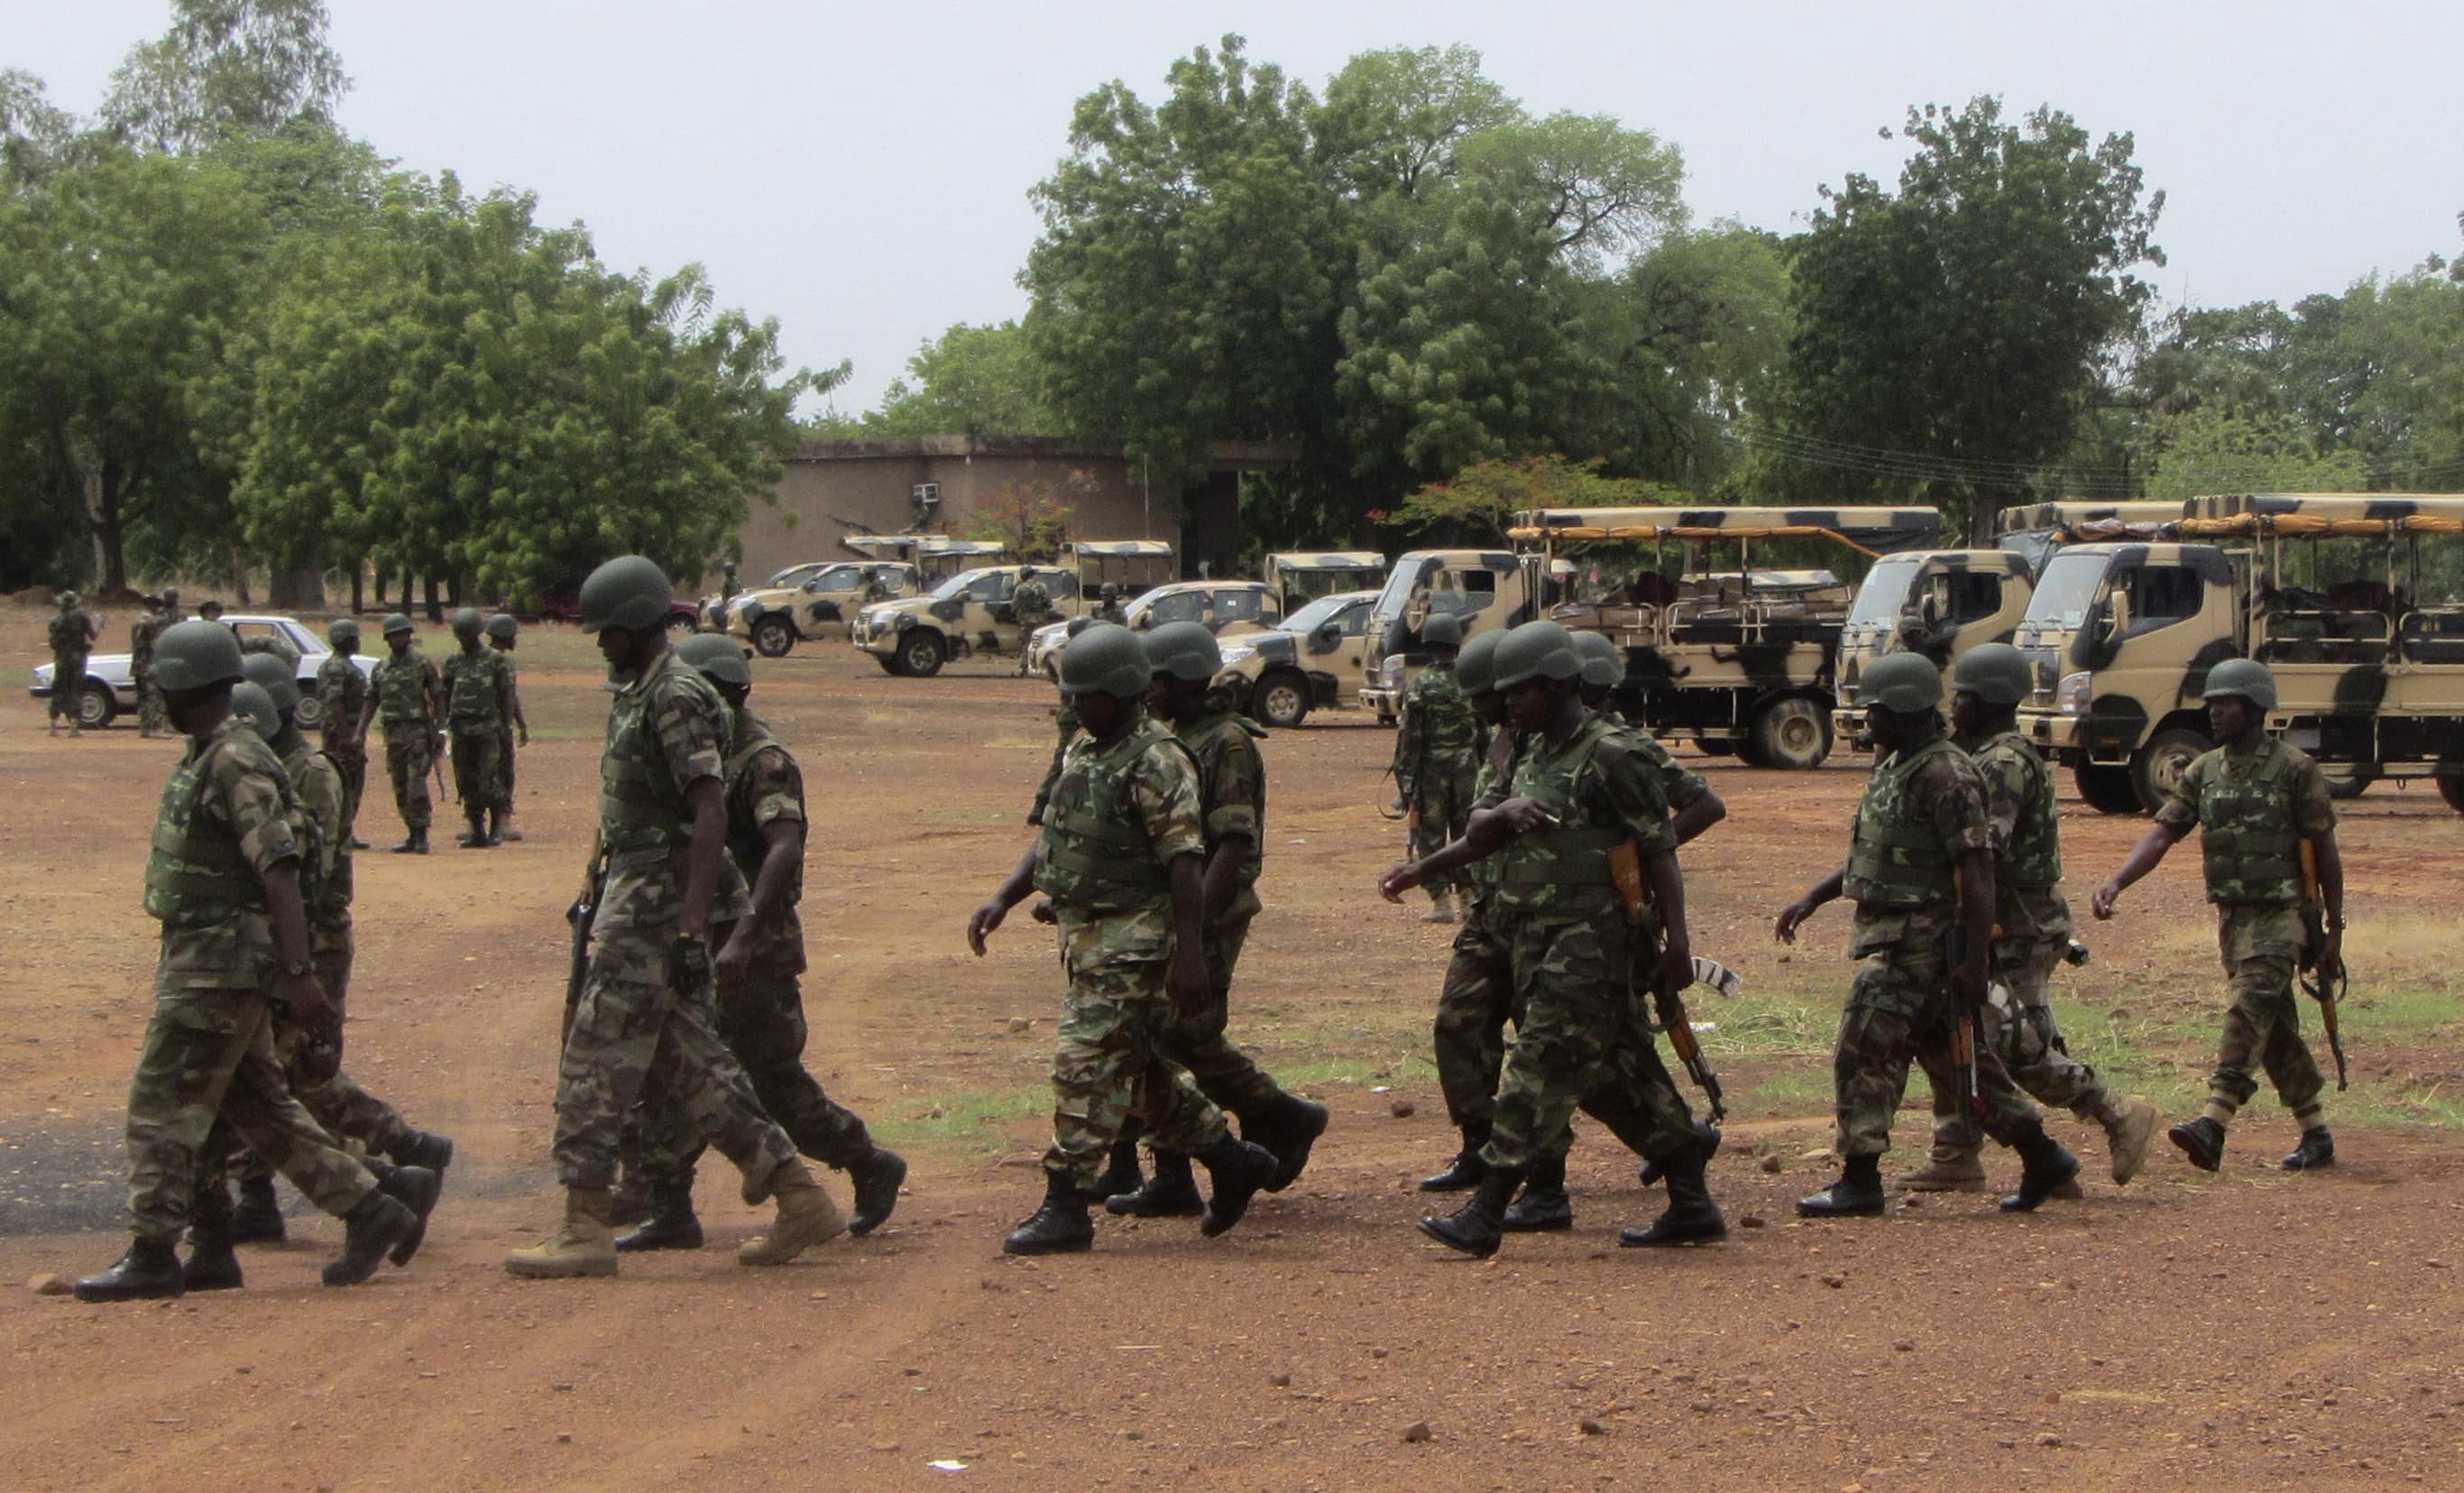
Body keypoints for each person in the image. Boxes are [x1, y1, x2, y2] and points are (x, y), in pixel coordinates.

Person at [506, 556, 846, 1279]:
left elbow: (710, 808)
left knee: (594, 1061)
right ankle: (797, 1194)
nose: (600, 644)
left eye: (607, 632)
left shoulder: (674, 695)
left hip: (656, 907)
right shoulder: (647, 690)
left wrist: (692, 927)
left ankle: (584, 1223)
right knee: (695, 1065)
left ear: (634, 625)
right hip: (646, 894)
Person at [73, 624, 422, 1302]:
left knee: (159, 1101)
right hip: (213, 961)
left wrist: (299, 974)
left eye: (161, 679)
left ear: (181, 683)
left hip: (218, 968)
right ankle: (372, 1206)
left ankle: (152, 1251)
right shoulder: (214, 753)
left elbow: (280, 867)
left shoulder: (235, 759)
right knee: (260, 1106)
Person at [1383, 621, 1725, 1258]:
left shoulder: (1613, 753)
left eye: (1521, 692)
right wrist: (1432, 864)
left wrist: (1678, 940)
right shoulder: (1535, 752)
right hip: (1537, 936)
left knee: (1537, 1062)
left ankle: (1487, 1208)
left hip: (1594, 940)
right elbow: (1490, 826)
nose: (1508, 704)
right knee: (1613, 1077)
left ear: (1560, 684)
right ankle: (1692, 1196)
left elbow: (1661, 848)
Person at [967, 622, 1279, 1256]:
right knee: (1137, 1075)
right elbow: (1057, 837)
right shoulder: (1086, 754)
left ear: (1126, 691)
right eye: (1071, 697)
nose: (1077, 707)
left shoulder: (1157, 760)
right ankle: (1232, 1159)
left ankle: (1065, 1204)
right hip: (1089, 937)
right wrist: (1005, 895)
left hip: (1136, 940)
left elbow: (1186, 861)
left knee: (1081, 1063)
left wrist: (1188, 953)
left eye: (1088, 696)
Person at [618, 634, 908, 1252]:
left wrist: (745, 935)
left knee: (770, 1082)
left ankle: (865, 1160)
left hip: (756, 950)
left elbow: (784, 846)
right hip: (705, 941)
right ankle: (669, 1205)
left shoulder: (761, 759)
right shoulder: (699, 755)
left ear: (730, 693)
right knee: (678, 1066)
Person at [1774, 652, 2082, 1218]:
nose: (1868, 722)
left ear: (1909, 712)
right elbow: (1879, 854)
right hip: (1896, 934)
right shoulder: (1897, 766)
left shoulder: (1947, 773)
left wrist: (1970, 959)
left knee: (1862, 1046)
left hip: (1921, 941)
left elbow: (1978, 866)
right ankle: (2044, 1156)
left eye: (1877, 711)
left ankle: (1860, 1177)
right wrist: (1813, 897)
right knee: (1955, 1060)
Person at [209, 659, 454, 1253]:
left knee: (291, 1076)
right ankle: (279, 1194)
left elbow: (304, 874)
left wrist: (293, 961)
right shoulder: (267, 768)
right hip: (282, 942)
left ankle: (391, 1168)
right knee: (274, 1076)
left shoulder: (309, 772)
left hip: (310, 940)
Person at [1903, 644, 2157, 1193]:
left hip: (2018, 925)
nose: (1955, 704)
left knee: (2011, 1042)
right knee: (1961, 1030)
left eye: (1964, 695)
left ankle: (2115, 1111)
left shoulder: (2003, 764)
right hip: (1997, 922)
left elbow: (1983, 853)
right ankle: (1956, 1147)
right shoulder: (1979, 753)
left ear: (1990, 698)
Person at [1099, 622, 1329, 1218]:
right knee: (1169, 1036)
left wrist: (1192, 935)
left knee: (1181, 1033)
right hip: (1183, 910)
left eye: (1156, 679)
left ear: (1182, 678)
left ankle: (1279, 1114)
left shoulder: (1225, 741)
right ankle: (1180, 1170)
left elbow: (1230, 843)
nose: (1147, 690)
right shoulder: (1183, 735)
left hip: (1213, 909)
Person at [2092, 658, 2344, 1173]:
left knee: (2247, 1009)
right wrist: (2117, 881)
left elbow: (2326, 851)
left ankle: (2214, 1122)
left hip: (2284, 917)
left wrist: (2334, 930)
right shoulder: (2204, 771)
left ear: (2253, 709)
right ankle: (2316, 1132)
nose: (2213, 713)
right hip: (2233, 919)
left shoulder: (2295, 770)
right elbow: (2164, 832)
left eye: (2224, 704)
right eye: (2211, 703)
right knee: (2272, 1030)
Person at [1390, 613, 1481, 923]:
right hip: (1469, 769)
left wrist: (1404, 780)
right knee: (1467, 833)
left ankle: (1441, 902)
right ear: (1456, 644)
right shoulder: (1470, 681)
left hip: (1432, 771)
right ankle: (1468, 901)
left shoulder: (1420, 685)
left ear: (1428, 645)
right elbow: (1483, 730)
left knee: (1431, 835)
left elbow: (1410, 738)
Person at [367, 613, 445, 854]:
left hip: (417, 731)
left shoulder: (422, 663)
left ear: (410, 636)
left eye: (403, 634)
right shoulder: (381, 667)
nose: (398, 639)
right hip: (392, 734)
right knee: (399, 783)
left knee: (416, 783)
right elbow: (372, 699)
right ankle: (411, 833)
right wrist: (361, 730)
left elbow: (438, 695)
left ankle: (422, 834)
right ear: (387, 639)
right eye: (394, 635)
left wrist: (441, 728)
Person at [439, 607, 516, 848]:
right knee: (465, 781)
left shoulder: (496, 660)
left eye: (469, 635)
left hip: (488, 730)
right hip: (461, 730)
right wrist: (442, 725)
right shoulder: (453, 661)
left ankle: (496, 829)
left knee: (488, 779)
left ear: (479, 634)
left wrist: (506, 726)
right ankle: (477, 831)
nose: (466, 640)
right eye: (462, 636)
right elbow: (447, 693)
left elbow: (506, 695)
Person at [1026, 615, 1097, 828]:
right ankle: (1042, 805)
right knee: (1063, 759)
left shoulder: (1064, 652)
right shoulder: (1076, 654)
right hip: (1074, 711)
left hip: (1071, 711)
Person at [317, 619, 372, 850]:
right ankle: (341, 832)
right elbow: (335, 702)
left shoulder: (340, 665)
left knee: (350, 781)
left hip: (345, 731)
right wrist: (348, 736)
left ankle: (345, 830)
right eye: (355, 638)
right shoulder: (337, 667)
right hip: (341, 734)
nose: (358, 641)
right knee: (347, 780)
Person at [486, 613, 529, 842]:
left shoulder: (478, 657)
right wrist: (520, 725)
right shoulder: (504, 662)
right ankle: (503, 821)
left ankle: (474, 821)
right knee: (504, 772)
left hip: (479, 727)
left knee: (479, 771)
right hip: (499, 727)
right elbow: (510, 696)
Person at [47, 589, 98, 736]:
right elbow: (92, 636)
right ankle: (74, 727)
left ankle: (53, 726)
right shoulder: (81, 617)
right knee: (77, 689)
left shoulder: (54, 620)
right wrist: (98, 624)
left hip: (61, 658)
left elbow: (53, 641)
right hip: (77, 658)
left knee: (58, 689)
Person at [131, 594, 172, 739]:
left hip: (138, 665)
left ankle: (144, 728)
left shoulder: (136, 621)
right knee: (154, 697)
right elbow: (157, 644)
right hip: (150, 665)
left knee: (142, 697)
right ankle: (155, 728)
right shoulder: (152, 623)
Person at [1011, 567, 1053, 676]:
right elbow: (1049, 604)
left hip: (1026, 620)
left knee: (1026, 644)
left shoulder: (1020, 588)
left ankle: (1025, 670)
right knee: (1039, 644)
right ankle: (1040, 667)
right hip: (1040, 619)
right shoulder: (1042, 587)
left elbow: (1014, 606)